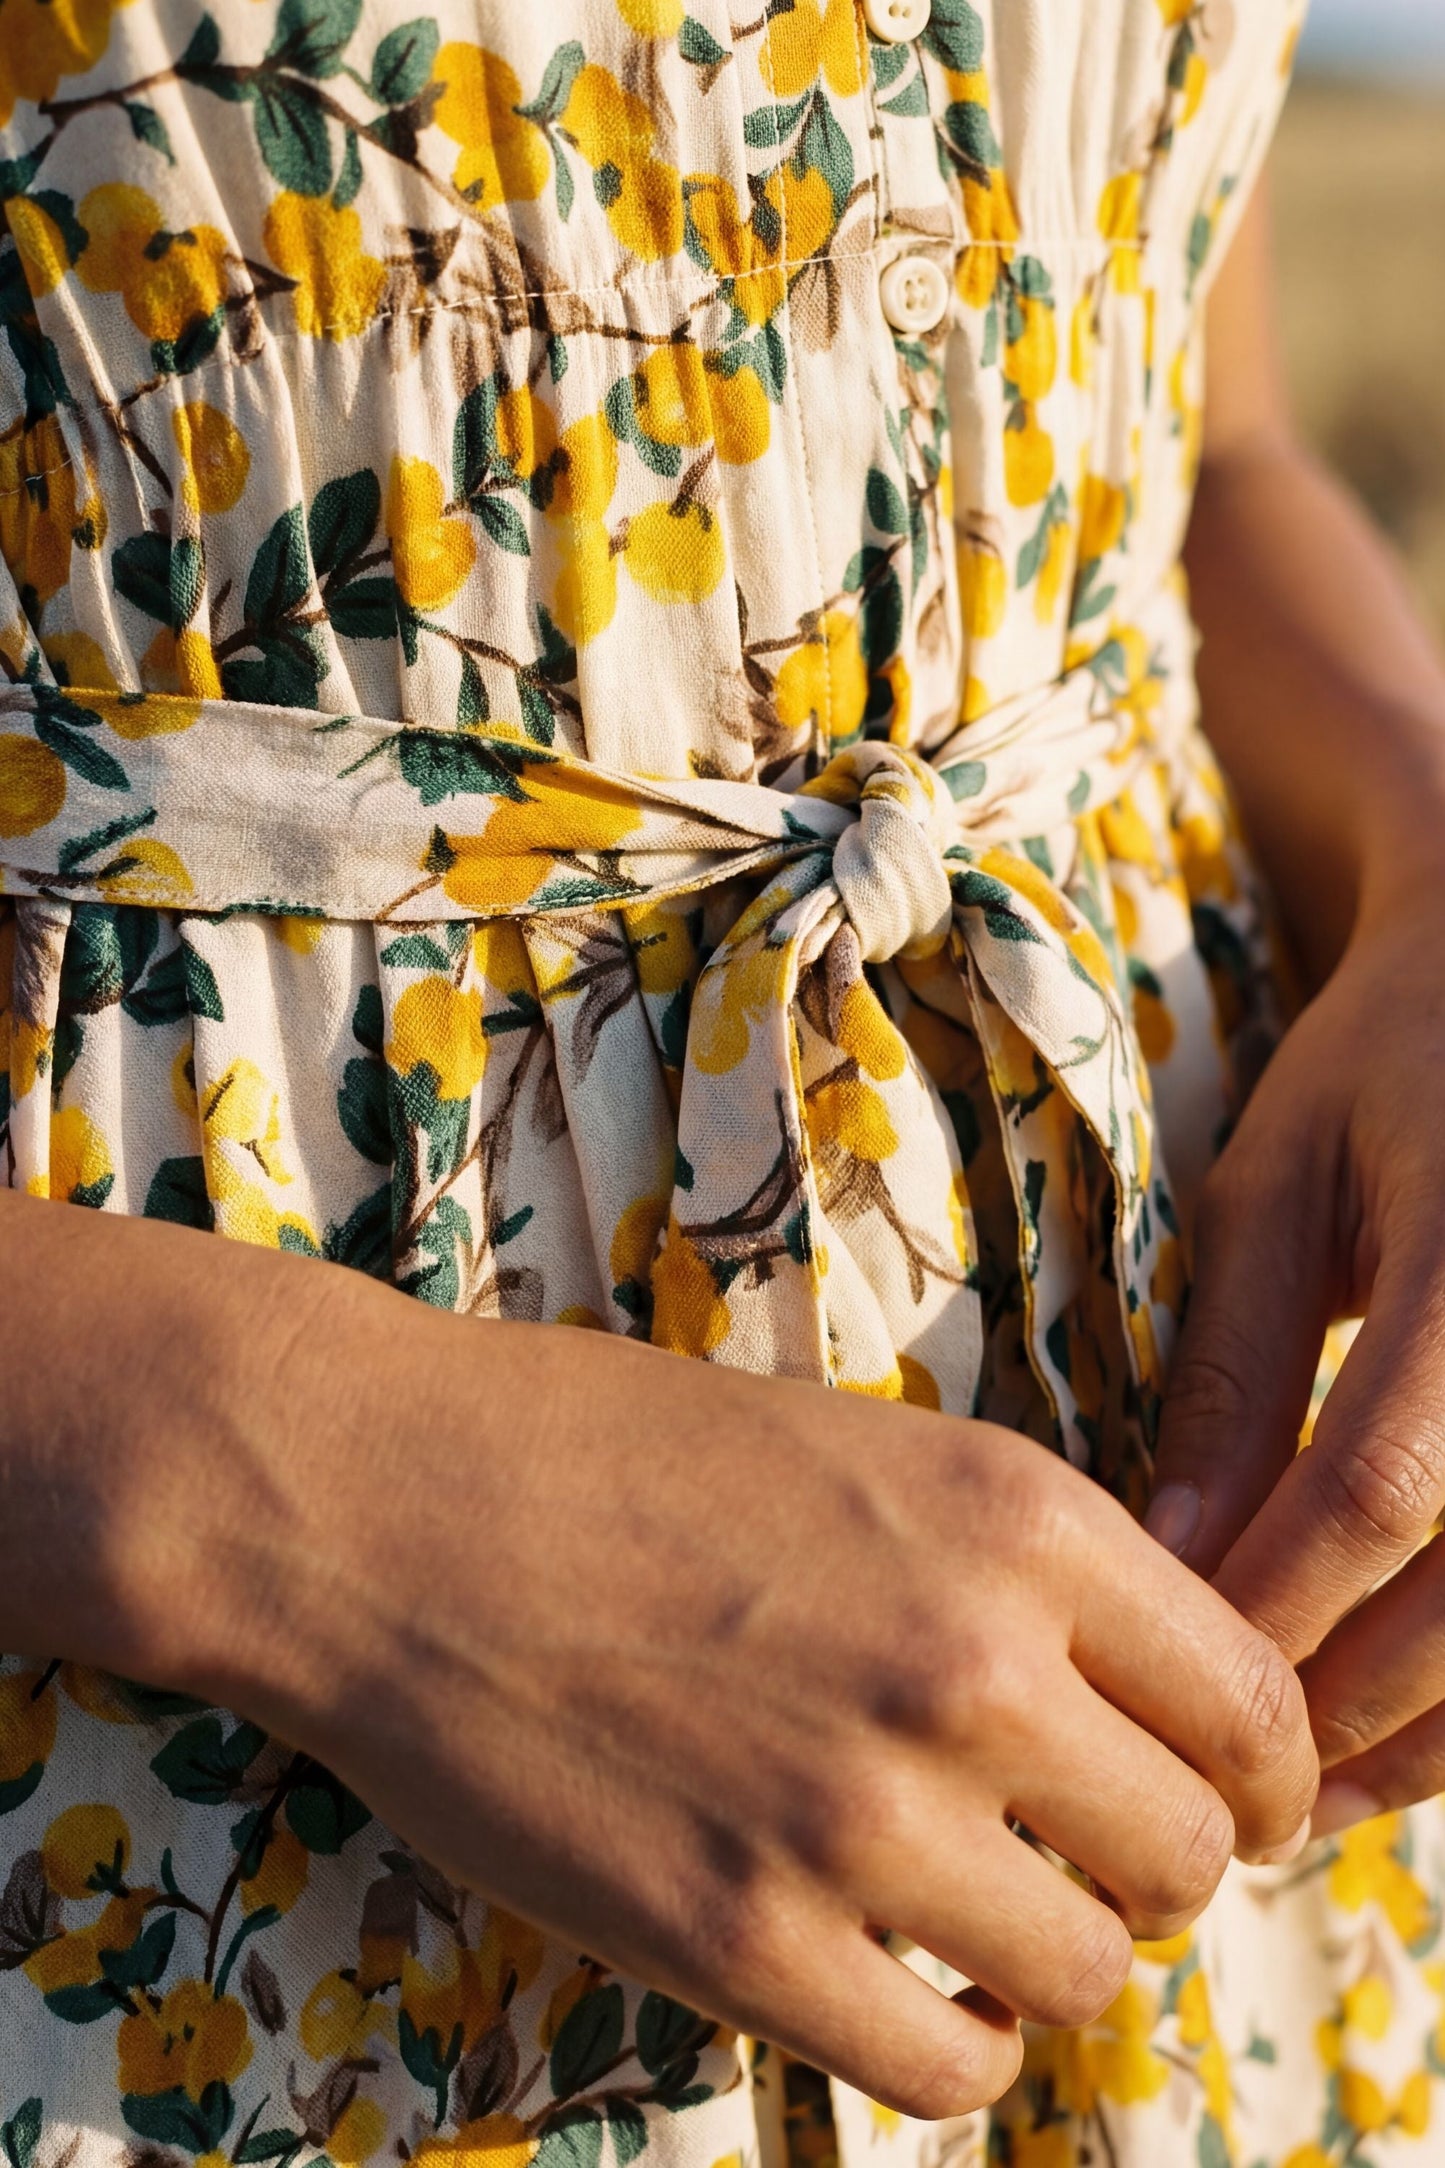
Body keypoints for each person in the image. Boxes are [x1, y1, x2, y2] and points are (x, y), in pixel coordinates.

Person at [1, 0, 1444, 2161]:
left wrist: (1426, 878)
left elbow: (1175, 424)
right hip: (191, 1799)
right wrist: (316, 1498)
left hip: (1163, 1776)